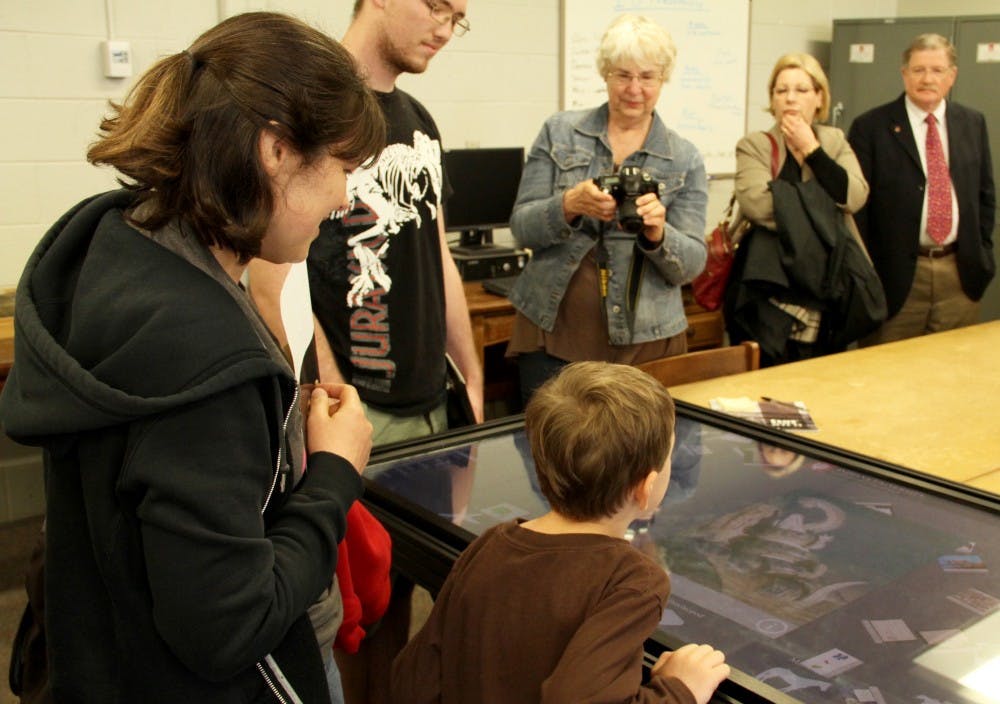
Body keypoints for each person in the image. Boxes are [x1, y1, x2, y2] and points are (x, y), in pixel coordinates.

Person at [0, 12, 385, 703]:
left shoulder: (111, 239)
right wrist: (332, 472)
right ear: (276, 151)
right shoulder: (208, 354)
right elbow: (226, 629)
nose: (344, 196)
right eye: (343, 167)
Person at [391, 361, 730, 703]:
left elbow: (413, 678)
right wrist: (679, 689)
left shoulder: (490, 543)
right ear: (645, 487)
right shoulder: (634, 580)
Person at [304, 0, 482, 443]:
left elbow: (438, 259)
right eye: (437, 7)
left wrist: (471, 379)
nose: (444, 30)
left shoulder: (420, 121)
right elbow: (272, 281)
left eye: (456, 19)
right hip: (356, 408)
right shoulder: (311, 106)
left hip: (433, 402)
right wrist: (335, 399)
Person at [506, 14, 708, 403]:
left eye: (647, 77)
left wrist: (658, 234)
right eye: (622, 75)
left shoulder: (684, 158)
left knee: (636, 456)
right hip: (554, 331)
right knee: (547, 453)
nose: (634, 89)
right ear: (605, 75)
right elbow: (521, 227)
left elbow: (693, 265)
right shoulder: (560, 132)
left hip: (646, 341)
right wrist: (568, 205)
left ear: (662, 78)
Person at [724, 53, 881, 367]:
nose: (790, 98)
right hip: (766, 292)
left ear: (819, 97)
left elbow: (853, 195)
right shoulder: (755, 144)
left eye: (801, 90)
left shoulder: (833, 142)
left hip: (827, 292)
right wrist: (823, 204)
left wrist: (812, 151)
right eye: (781, 91)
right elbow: (758, 205)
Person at [848, 33, 996, 344]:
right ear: (904, 74)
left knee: (954, 376)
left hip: (959, 275)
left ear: (952, 76)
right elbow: (857, 211)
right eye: (918, 70)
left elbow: (984, 196)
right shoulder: (870, 128)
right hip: (895, 281)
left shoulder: (973, 122)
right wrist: (868, 276)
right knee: (889, 377)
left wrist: (982, 255)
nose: (927, 79)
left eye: (937, 70)